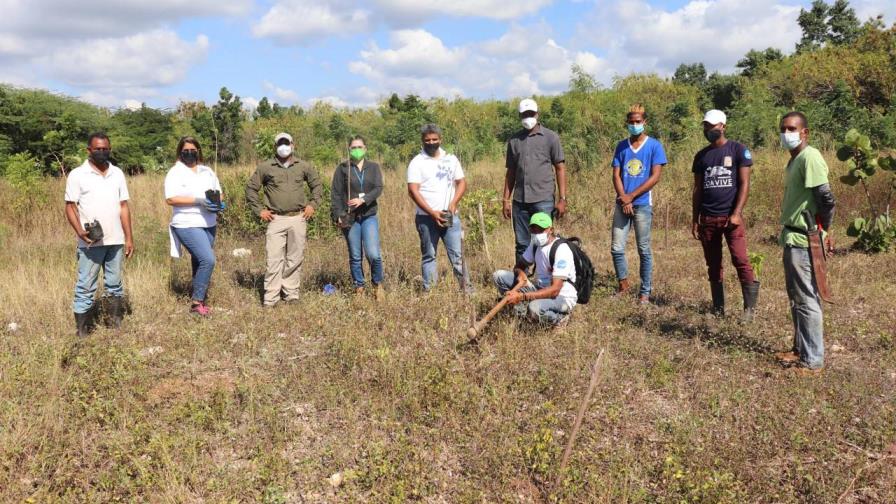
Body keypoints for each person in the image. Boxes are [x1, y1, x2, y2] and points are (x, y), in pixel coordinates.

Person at [775, 111, 836, 374]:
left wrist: (825, 229)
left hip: (804, 237)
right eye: (783, 129)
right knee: (796, 297)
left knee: (807, 298)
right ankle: (800, 348)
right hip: (792, 235)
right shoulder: (795, 160)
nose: (787, 133)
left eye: (792, 128)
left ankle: (813, 362)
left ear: (804, 132)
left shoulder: (810, 157)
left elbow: (826, 198)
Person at [691, 110, 760, 321]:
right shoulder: (701, 156)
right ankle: (718, 308)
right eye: (706, 126)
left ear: (723, 126)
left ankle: (749, 310)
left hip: (731, 219)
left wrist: (737, 213)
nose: (709, 130)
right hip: (709, 218)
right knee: (713, 264)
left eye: (712, 126)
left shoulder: (738, 150)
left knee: (740, 260)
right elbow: (698, 189)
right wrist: (695, 218)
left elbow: (744, 183)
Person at [64, 133, 134, 337]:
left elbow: (124, 207)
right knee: (86, 286)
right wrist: (79, 231)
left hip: (116, 240)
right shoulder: (78, 175)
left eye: (105, 149)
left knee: (114, 284)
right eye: (97, 149)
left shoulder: (117, 173)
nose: (102, 152)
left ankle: (114, 324)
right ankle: (82, 332)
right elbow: (70, 207)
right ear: (89, 150)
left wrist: (128, 237)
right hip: (91, 242)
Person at [246, 132, 323, 307]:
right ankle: (271, 298)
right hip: (276, 219)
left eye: (286, 142)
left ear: (292, 145)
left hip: (298, 217)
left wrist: (313, 205)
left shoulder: (303, 166)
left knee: (295, 258)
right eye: (280, 143)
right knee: (274, 259)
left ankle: (291, 294)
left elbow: (317, 185)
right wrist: (259, 210)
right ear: (275, 146)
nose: (283, 146)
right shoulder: (265, 167)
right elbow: (251, 189)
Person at [610, 104, 667, 304]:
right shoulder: (621, 146)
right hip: (622, 203)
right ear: (627, 123)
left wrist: (631, 196)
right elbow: (616, 175)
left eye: (638, 121)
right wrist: (624, 197)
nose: (634, 125)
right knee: (617, 248)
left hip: (642, 204)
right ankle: (623, 286)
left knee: (643, 248)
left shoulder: (654, 146)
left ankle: (645, 291)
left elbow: (655, 176)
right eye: (631, 122)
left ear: (645, 122)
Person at [407, 123, 470, 292]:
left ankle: (467, 291)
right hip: (426, 218)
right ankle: (430, 293)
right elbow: (413, 191)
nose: (431, 142)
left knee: (457, 256)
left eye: (435, 139)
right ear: (422, 141)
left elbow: (461, 182)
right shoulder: (417, 162)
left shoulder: (451, 159)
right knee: (429, 256)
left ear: (440, 139)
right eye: (427, 140)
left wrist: (453, 204)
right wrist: (431, 212)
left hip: (449, 215)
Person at [165, 137, 224, 316]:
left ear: (198, 151)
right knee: (208, 260)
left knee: (199, 262)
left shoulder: (207, 171)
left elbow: (218, 193)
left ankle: (200, 300)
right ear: (180, 152)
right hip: (187, 223)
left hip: (209, 223)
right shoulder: (175, 172)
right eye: (186, 150)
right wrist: (199, 201)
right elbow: (171, 198)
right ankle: (196, 303)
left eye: (193, 150)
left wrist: (218, 203)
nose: (190, 153)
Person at [503, 98, 568, 263]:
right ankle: (522, 281)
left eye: (531, 113)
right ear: (520, 115)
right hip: (520, 201)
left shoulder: (550, 137)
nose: (528, 117)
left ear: (537, 114)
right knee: (522, 244)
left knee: (545, 241)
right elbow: (510, 173)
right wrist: (506, 199)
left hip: (543, 199)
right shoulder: (514, 141)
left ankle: (546, 279)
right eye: (524, 114)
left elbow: (560, 168)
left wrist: (562, 199)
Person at [492, 212, 576, 327]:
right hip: (540, 288)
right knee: (499, 276)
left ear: (550, 230)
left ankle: (559, 319)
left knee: (534, 308)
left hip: (561, 297)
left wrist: (522, 296)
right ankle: (521, 312)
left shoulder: (561, 250)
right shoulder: (535, 245)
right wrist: (520, 274)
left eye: (540, 230)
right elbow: (519, 266)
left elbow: (555, 290)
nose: (536, 234)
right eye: (533, 230)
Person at [331, 135, 385, 300]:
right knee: (355, 256)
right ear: (349, 149)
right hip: (350, 218)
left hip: (368, 215)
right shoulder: (342, 168)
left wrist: (363, 199)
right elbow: (336, 193)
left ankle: (377, 285)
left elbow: (378, 187)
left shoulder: (373, 167)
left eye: (359, 147)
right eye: (353, 147)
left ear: (365, 148)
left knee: (373, 254)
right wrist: (338, 214)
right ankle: (359, 288)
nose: (356, 150)